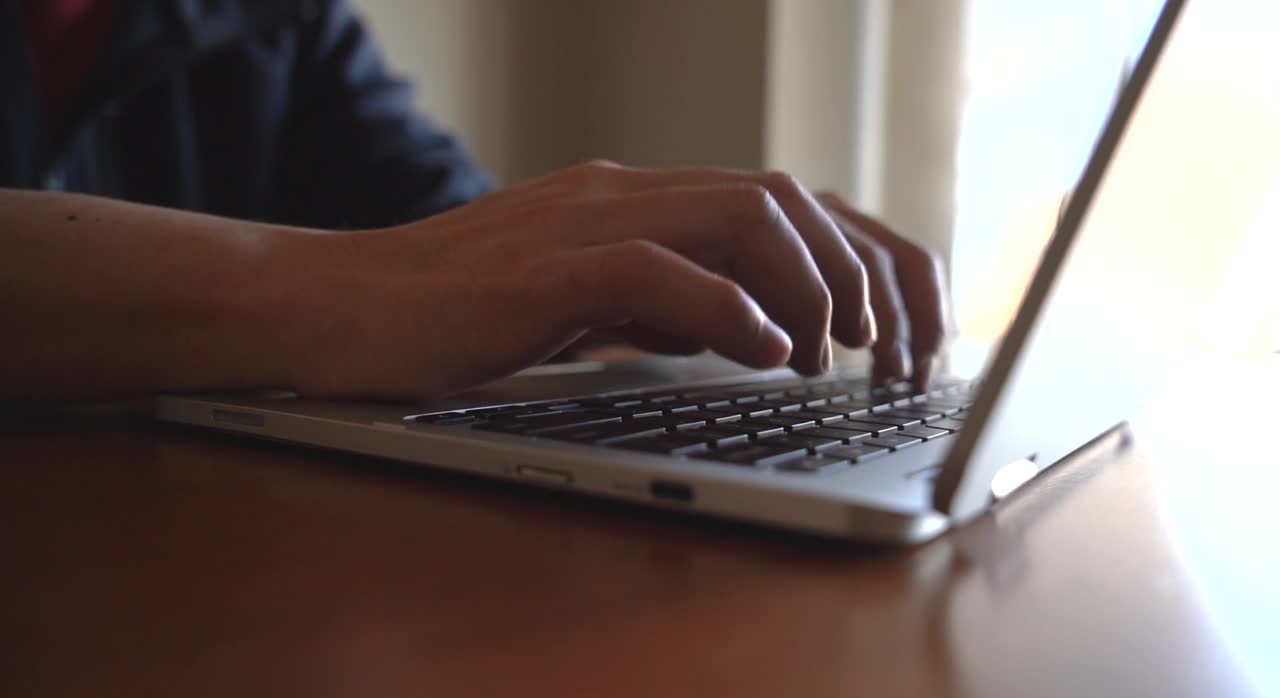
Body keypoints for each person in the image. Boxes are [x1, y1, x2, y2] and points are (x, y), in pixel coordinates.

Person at [0, 0, 950, 401]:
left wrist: (627, 272)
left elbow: (465, 251)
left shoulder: (276, 21)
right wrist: (340, 294)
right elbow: (398, 280)